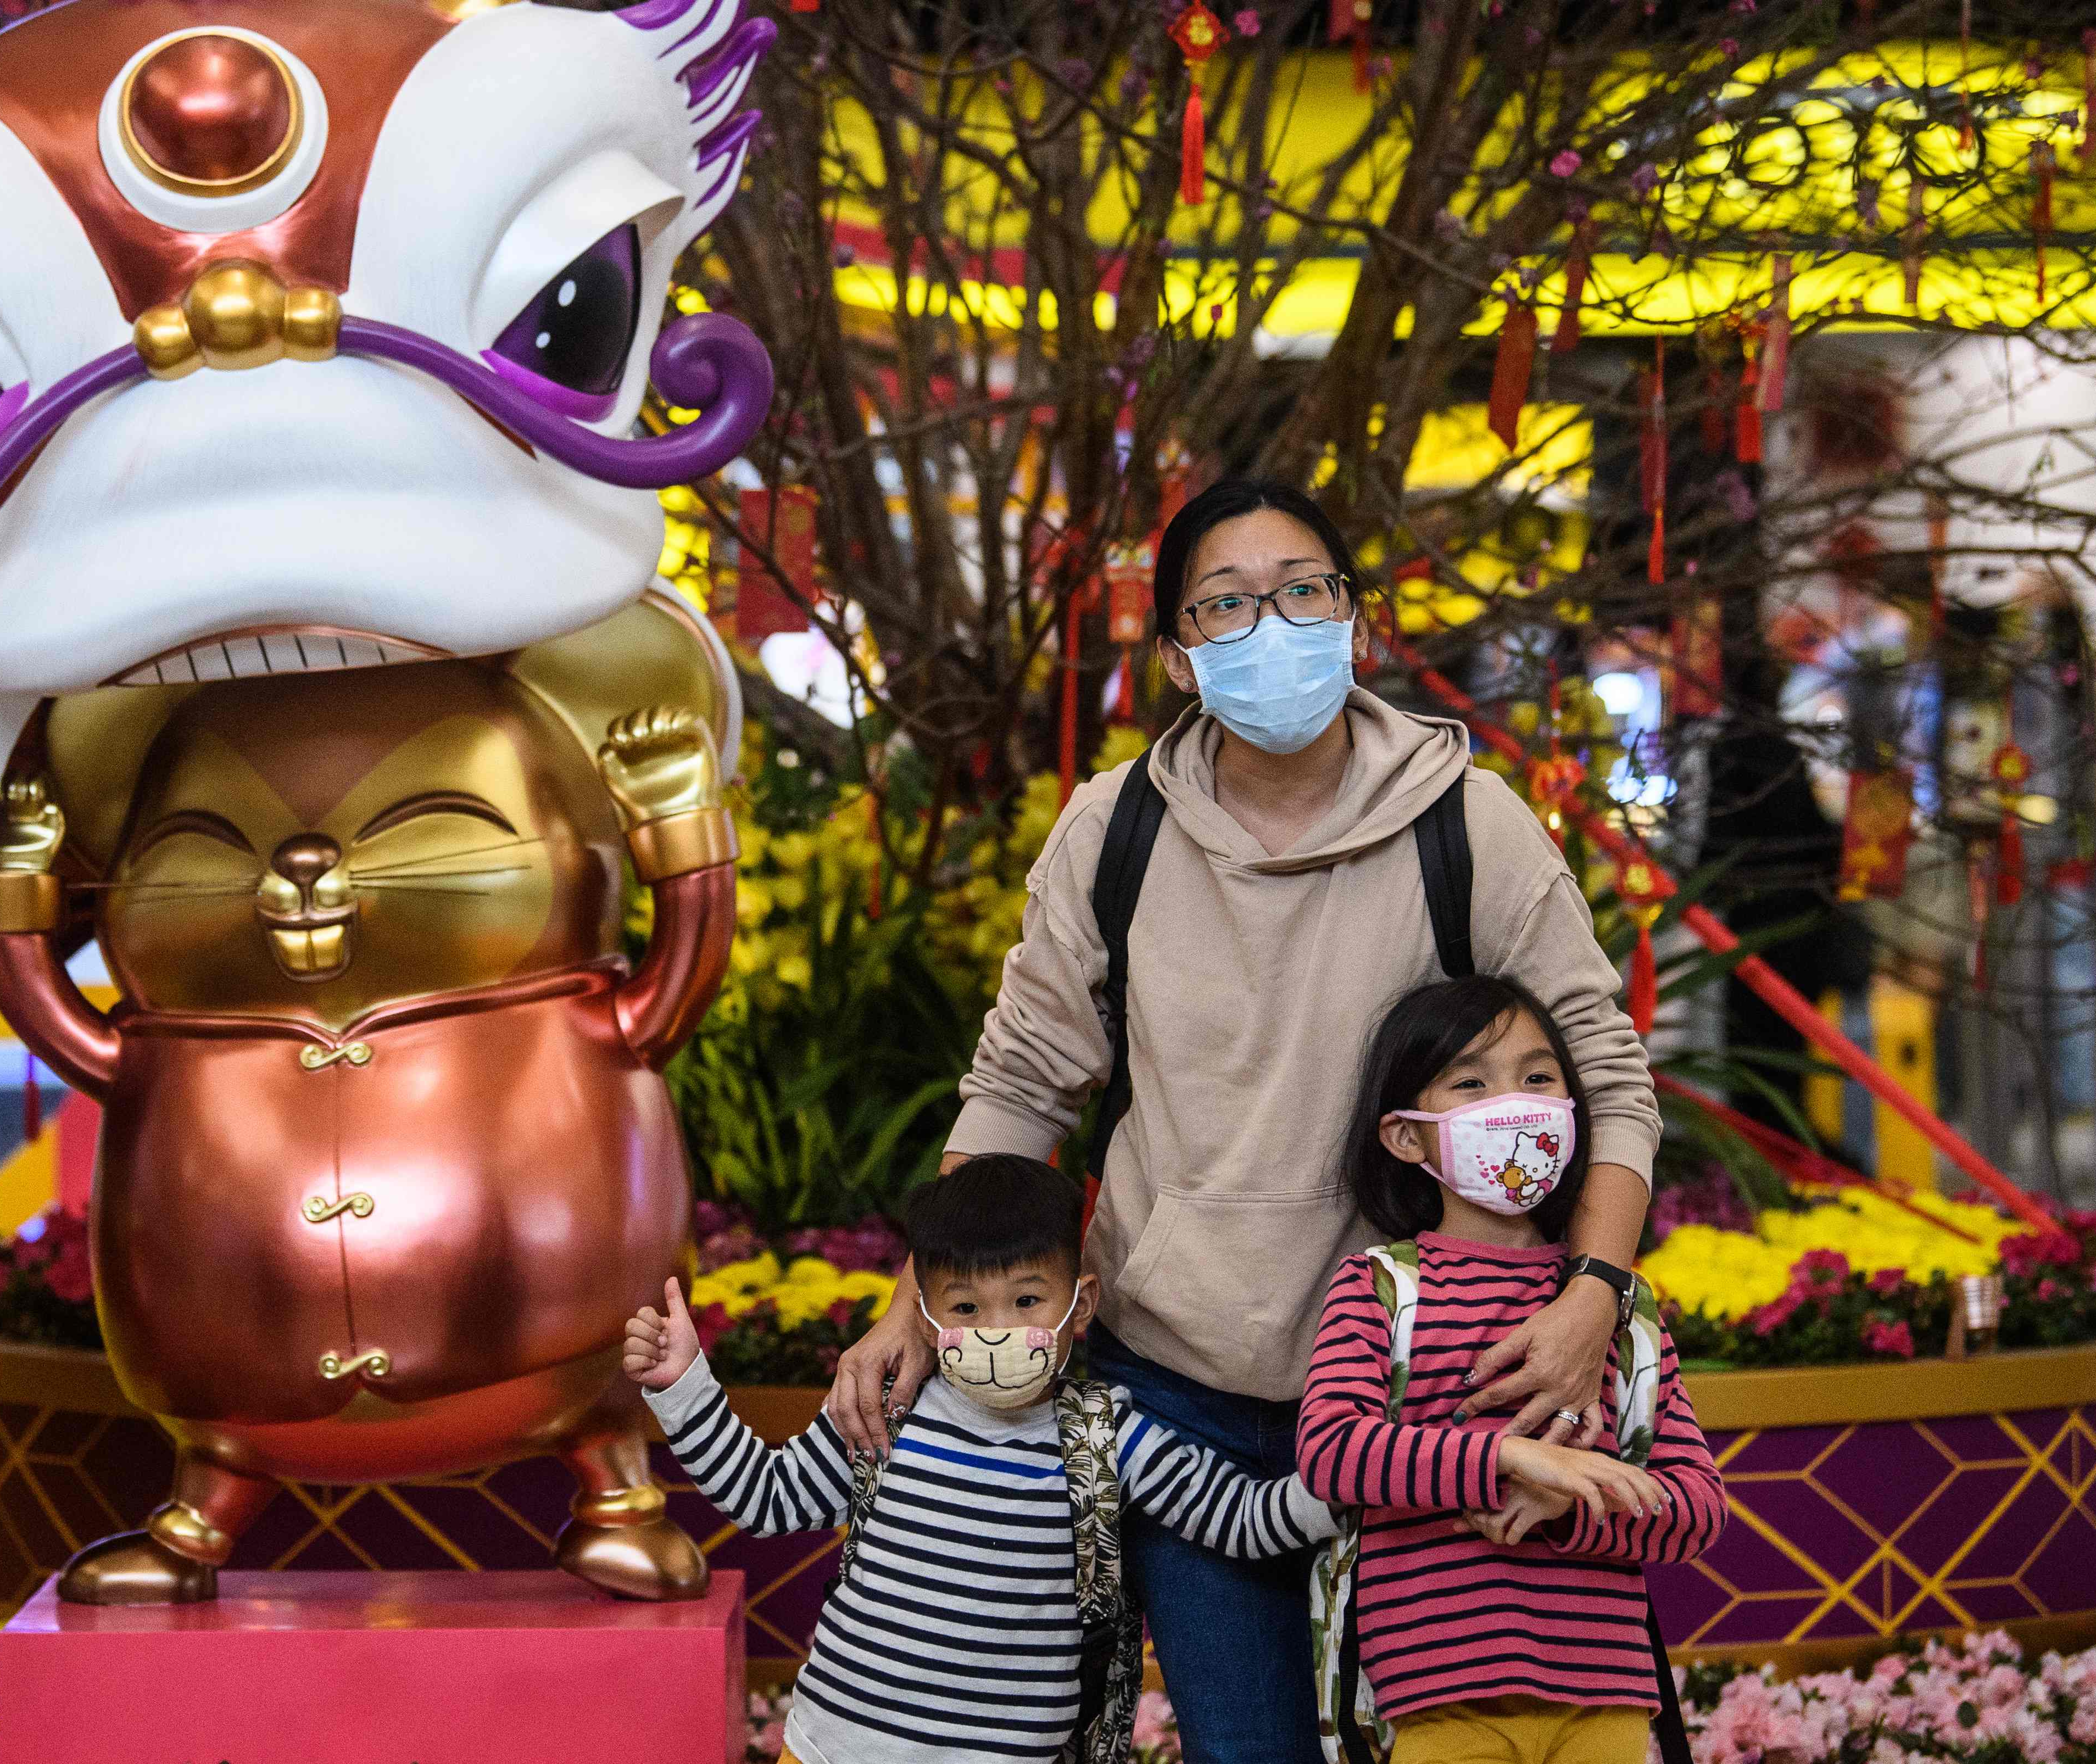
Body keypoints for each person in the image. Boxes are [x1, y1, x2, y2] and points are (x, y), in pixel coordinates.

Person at [826, 478, 1664, 1762]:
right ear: (1176, 652)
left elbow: (1605, 1069)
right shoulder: (1117, 832)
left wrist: (1594, 1293)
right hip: (1182, 1393)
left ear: (1359, 623)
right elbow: (1020, 1084)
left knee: (1460, 1743)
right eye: (1226, 603)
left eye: (1304, 591)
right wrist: (910, 1301)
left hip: (1424, 1393)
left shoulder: (1467, 822)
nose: (1271, 624)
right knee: (1249, 1749)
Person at [626, 1155, 1338, 1764]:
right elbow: (766, 1498)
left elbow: (1244, 1522)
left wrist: (1347, 1471)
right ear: (925, 1314)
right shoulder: (889, 1409)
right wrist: (683, 1385)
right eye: (965, 1307)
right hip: (833, 1748)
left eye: (1027, 1299)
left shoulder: (1108, 1437)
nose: (996, 1331)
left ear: (1079, 1303)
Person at [1298, 975, 1724, 1764]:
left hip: (1605, 1697)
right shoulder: (1381, 1289)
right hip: (1436, 1702)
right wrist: (1508, 1457)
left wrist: (1565, 1503)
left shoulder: (1616, 1313)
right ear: (1404, 1137)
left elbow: (1695, 1509)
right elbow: (1330, 1452)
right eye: (1470, 1083)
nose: (1514, 1104)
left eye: (1537, 1078)